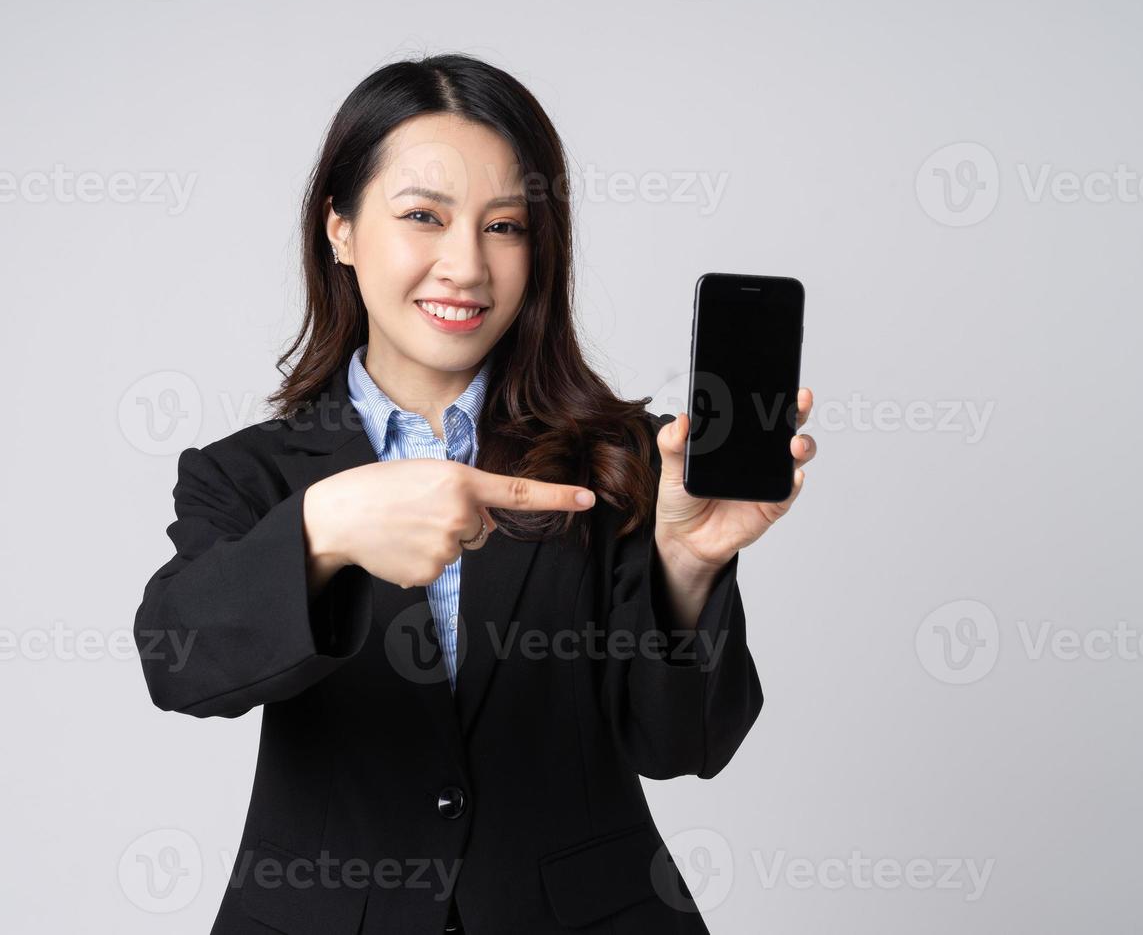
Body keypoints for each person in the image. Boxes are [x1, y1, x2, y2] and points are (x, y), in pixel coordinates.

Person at [133, 52, 816, 935]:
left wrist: (686, 565)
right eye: (423, 216)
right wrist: (324, 529)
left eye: (504, 226)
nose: (466, 266)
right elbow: (180, 663)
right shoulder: (246, 476)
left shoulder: (618, 462)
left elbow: (684, 746)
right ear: (338, 228)